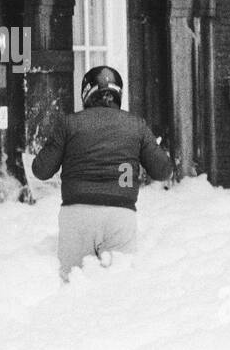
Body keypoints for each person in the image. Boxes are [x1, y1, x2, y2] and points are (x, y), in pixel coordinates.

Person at [31, 65, 172, 279]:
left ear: (87, 93)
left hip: (77, 214)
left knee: (72, 286)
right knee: (118, 287)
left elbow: (41, 170)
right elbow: (163, 171)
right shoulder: (137, 126)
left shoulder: (70, 123)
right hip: (121, 215)